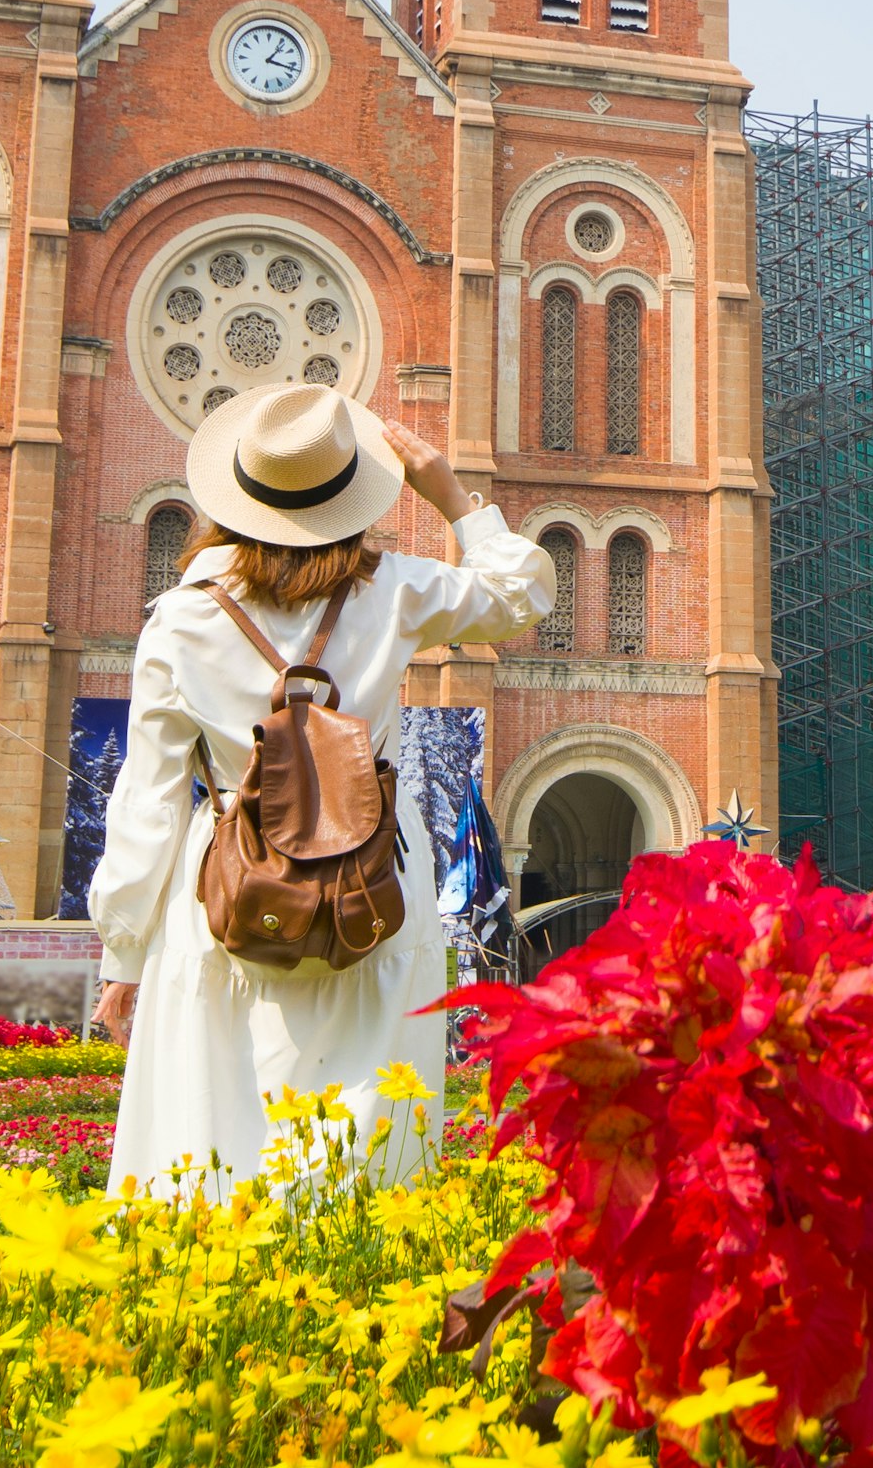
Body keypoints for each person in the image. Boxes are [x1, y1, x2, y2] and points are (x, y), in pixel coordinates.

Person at [87, 382, 551, 1197]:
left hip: (231, 890)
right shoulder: (396, 590)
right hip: (370, 886)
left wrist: (123, 950)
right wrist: (449, 492)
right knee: (368, 1118)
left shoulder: (180, 619)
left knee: (216, 1113)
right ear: (350, 496)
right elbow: (521, 594)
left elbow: (150, 797)